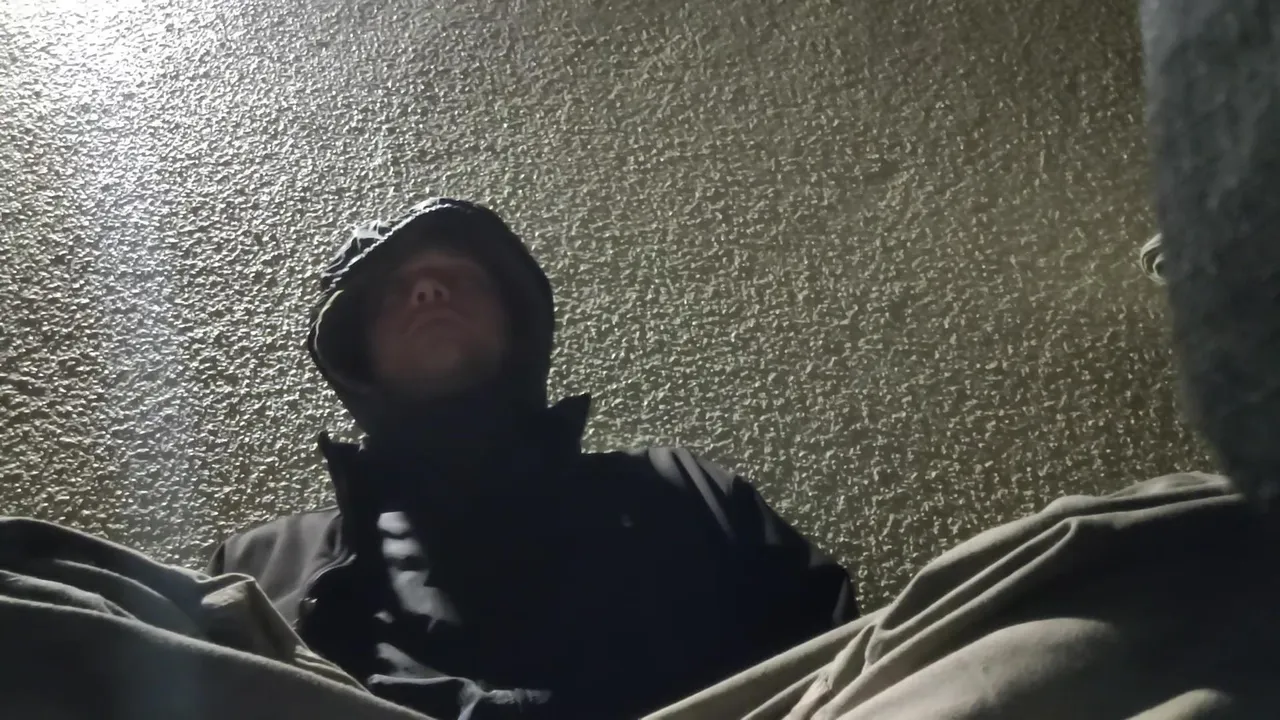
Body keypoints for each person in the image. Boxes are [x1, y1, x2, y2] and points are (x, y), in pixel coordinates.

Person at [205, 197, 857, 720]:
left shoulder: (687, 495)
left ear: (517, 324)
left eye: (461, 278)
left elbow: (846, 671)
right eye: (391, 292)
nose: (427, 291)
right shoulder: (259, 569)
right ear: (357, 355)